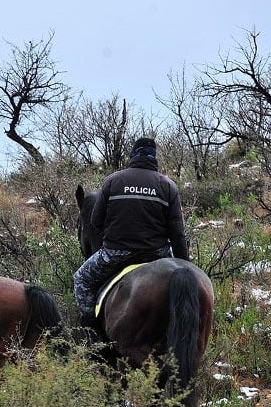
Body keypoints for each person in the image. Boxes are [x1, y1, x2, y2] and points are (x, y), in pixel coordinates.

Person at [73, 138, 189, 340]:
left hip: (116, 253)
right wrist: (184, 264)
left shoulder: (113, 180)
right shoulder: (168, 186)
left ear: (133, 155)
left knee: (81, 279)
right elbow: (178, 233)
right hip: (157, 254)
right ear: (154, 157)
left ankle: (92, 333)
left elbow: (96, 221)